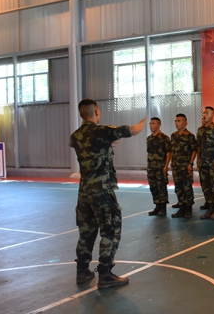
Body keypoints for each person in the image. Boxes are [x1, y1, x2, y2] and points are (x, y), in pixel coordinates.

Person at [70, 98, 146, 289]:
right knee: (110, 230)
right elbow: (132, 130)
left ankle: (82, 271)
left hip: (84, 193)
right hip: (102, 192)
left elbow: (90, 148)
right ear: (96, 111)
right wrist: (143, 122)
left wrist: (105, 145)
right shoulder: (102, 131)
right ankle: (105, 275)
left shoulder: (75, 136)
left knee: (86, 232)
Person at [196, 106, 214, 220]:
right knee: (205, 186)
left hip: (213, 163)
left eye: (207, 113)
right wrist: (198, 159)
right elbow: (198, 146)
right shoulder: (200, 130)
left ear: (212, 115)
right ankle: (210, 208)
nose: (205, 115)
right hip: (203, 163)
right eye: (204, 113)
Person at [170, 113, 197, 219]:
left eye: (179, 121)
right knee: (178, 188)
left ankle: (188, 209)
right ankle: (181, 207)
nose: (177, 123)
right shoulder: (174, 135)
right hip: (176, 167)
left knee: (187, 188)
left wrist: (191, 163)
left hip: (185, 167)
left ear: (185, 122)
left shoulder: (189, 136)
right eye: (176, 121)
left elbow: (194, 150)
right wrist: (172, 162)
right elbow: (172, 150)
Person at [146, 117, 171, 216]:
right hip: (151, 167)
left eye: (153, 123)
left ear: (159, 125)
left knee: (161, 187)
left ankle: (163, 208)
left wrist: (166, 166)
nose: (151, 125)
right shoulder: (149, 138)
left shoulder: (164, 138)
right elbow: (149, 153)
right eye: (150, 123)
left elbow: (169, 152)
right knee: (153, 187)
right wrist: (148, 165)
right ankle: (157, 206)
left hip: (160, 167)